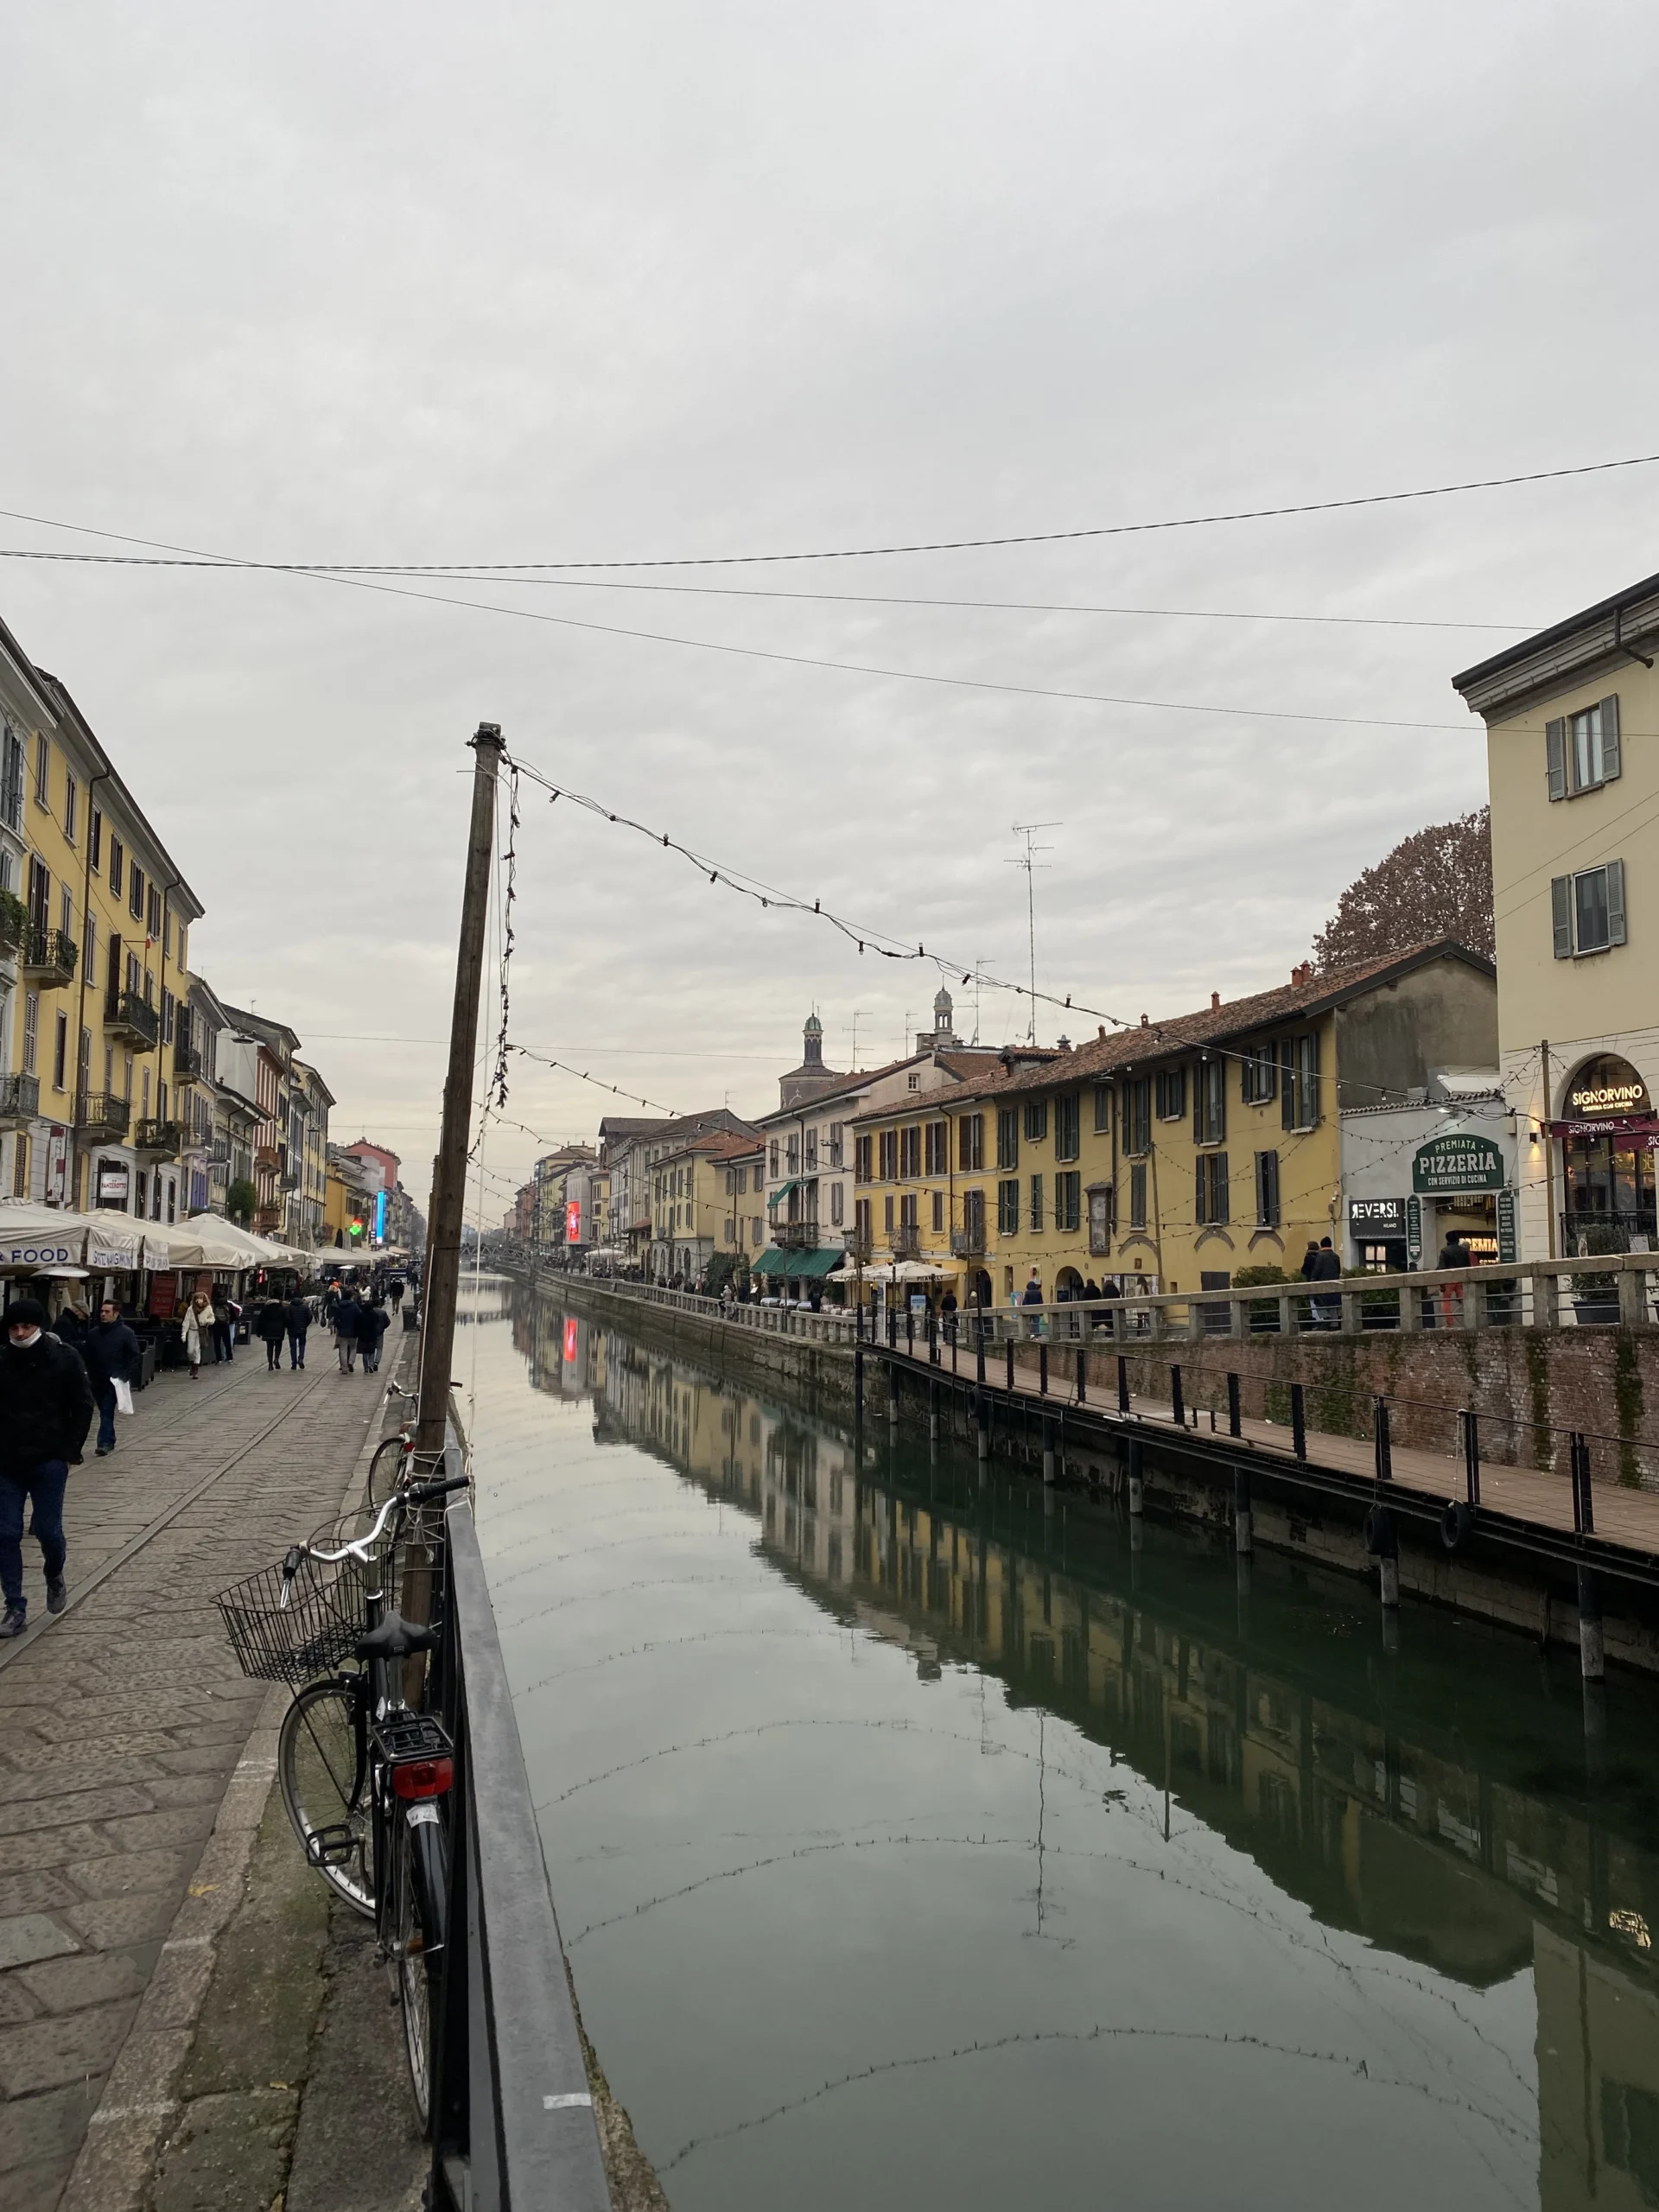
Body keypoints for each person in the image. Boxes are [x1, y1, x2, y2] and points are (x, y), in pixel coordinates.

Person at [0, 1297, 95, 1636]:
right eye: (14, 1327)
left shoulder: (64, 1357)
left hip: (49, 1459)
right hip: (7, 1461)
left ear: (39, 1325)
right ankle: (14, 1606)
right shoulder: (1, 1359)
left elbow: (83, 1405)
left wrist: (70, 1452)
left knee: (47, 1530)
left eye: (26, 1326)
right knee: (5, 1533)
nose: (20, 1332)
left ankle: (54, 1572)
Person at [82, 1297, 141, 1457]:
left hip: (114, 1380)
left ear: (116, 1314)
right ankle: (110, 1437)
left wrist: (124, 1374)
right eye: (102, 1311)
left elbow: (134, 1355)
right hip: (96, 1379)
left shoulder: (125, 1333)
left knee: (107, 1411)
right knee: (103, 1410)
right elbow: (87, 1355)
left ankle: (104, 1443)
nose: (103, 1314)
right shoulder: (93, 1334)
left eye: (107, 1312)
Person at [1308, 1236, 1343, 1330]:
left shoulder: (1320, 1256)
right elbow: (1338, 1271)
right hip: (1335, 1285)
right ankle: (1334, 1327)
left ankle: (1326, 1317)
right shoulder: (1336, 1256)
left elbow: (1317, 1270)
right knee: (1333, 1306)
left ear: (1321, 1245)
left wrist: (1313, 1280)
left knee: (1319, 1303)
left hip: (1322, 1286)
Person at [1437, 1230, 1470, 1326]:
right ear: (1457, 1240)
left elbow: (1441, 1268)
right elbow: (1468, 1266)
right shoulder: (1464, 1251)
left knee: (1446, 1300)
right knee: (1466, 1299)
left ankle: (1450, 1323)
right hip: (1461, 1279)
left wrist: (1441, 1284)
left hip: (1449, 1280)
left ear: (1447, 1239)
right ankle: (1470, 1320)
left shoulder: (1444, 1251)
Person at [181, 1291, 214, 1380]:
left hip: (201, 1331)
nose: (199, 1301)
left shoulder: (208, 1308)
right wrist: (184, 1333)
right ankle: (192, 1364)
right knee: (190, 1351)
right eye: (197, 1298)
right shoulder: (191, 1309)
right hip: (192, 1331)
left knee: (197, 1349)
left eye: (201, 1298)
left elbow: (212, 1319)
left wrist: (206, 1321)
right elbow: (186, 1321)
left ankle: (195, 1370)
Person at [256, 1294, 287, 1372]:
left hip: (268, 1329)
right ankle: (276, 1359)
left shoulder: (265, 1308)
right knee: (278, 1345)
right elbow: (286, 1319)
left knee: (269, 1347)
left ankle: (270, 1365)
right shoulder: (282, 1308)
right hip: (279, 1329)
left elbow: (260, 1321)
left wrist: (259, 1331)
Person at [334, 1290, 362, 1374]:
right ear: (350, 1297)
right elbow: (359, 1317)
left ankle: (344, 1368)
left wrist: (339, 1327)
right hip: (353, 1331)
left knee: (343, 1350)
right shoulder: (354, 1306)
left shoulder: (340, 1306)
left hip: (342, 1331)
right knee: (353, 1348)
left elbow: (336, 1319)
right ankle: (351, 1361)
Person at [359, 1298, 388, 1375]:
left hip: (364, 1335)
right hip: (376, 1333)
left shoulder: (362, 1314)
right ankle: (374, 1363)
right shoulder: (381, 1312)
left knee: (365, 1352)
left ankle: (366, 1367)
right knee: (378, 1348)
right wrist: (382, 1328)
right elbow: (387, 1322)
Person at [211, 1287, 238, 1364]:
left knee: (217, 1343)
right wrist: (231, 1321)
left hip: (215, 1324)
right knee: (227, 1342)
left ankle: (219, 1359)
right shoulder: (228, 1304)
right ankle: (229, 1358)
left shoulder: (214, 1304)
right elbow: (234, 1315)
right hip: (225, 1324)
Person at [285, 1291, 311, 1370]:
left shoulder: (289, 1308)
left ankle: (294, 1363)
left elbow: (287, 1318)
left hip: (292, 1329)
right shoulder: (305, 1307)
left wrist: (288, 1326)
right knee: (302, 1345)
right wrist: (305, 1325)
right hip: (302, 1329)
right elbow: (310, 1317)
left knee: (293, 1346)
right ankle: (301, 1358)